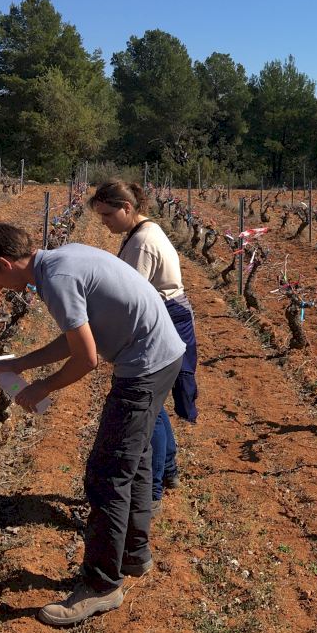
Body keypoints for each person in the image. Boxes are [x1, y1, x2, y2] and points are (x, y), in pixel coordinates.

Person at [0, 222, 185, 626]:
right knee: (134, 461)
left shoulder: (57, 280)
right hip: (162, 354)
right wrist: (19, 364)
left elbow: (87, 359)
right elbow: (76, 338)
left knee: (106, 475)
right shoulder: (62, 260)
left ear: (4, 263)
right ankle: (134, 554)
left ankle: (102, 586)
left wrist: (40, 388)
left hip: (145, 364)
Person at [88, 179, 200, 511]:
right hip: (167, 314)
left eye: (107, 215)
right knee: (154, 404)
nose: (104, 222)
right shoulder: (140, 233)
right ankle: (168, 470)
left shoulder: (142, 243)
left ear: (127, 208)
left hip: (166, 319)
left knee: (148, 407)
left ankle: (153, 487)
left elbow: (129, 298)